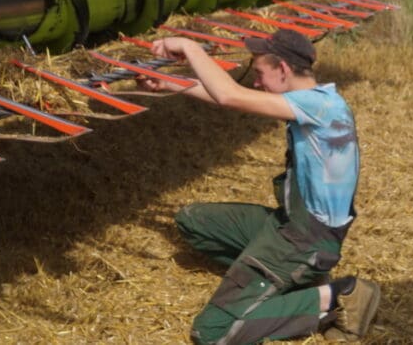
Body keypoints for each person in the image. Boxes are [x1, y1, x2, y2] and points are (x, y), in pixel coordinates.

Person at [142, 29, 379, 344]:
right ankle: (284, 283)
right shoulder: (315, 102)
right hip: (290, 225)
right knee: (192, 221)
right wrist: (172, 83)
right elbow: (231, 96)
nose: (256, 81)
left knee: (212, 332)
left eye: (259, 73)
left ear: (282, 69)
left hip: (306, 240)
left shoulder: (321, 106)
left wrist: (188, 47)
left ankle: (337, 294)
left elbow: (230, 95)